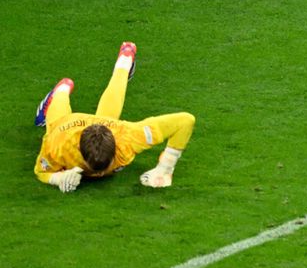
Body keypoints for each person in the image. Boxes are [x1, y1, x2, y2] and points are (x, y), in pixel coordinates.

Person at [33, 42, 196, 193]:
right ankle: (61, 89)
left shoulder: (128, 137)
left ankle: (125, 59)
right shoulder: (58, 144)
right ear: (79, 151)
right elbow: (41, 171)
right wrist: (58, 178)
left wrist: (165, 169)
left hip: (109, 126)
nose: (102, 173)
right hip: (68, 124)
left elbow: (185, 121)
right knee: (54, 122)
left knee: (108, 117)